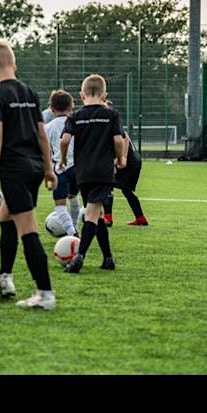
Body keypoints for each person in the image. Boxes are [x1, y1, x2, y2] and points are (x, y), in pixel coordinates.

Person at [0, 38, 57, 311]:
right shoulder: (29, 92)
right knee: (6, 216)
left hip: (13, 169)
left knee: (28, 229)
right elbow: (42, 135)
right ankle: (6, 277)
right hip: (35, 167)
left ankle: (45, 293)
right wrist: (49, 168)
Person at [59, 74, 128, 274]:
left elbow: (64, 140)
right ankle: (79, 256)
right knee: (92, 214)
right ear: (104, 94)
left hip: (83, 173)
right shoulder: (111, 115)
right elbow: (118, 140)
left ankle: (107, 258)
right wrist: (120, 159)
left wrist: (63, 159)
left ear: (82, 95)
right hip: (103, 171)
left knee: (95, 215)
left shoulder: (75, 116)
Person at [101, 102, 148, 226]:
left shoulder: (108, 122)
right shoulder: (111, 121)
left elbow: (124, 139)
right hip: (135, 159)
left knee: (108, 184)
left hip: (130, 160)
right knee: (126, 190)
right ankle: (141, 218)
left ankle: (108, 218)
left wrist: (122, 158)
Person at [44, 90, 81, 237]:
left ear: (52, 109)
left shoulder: (48, 127)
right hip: (78, 168)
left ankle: (72, 234)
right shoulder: (77, 124)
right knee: (73, 197)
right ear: (71, 108)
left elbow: (46, 152)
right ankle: (75, 228)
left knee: (60, 207)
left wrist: (47, 172)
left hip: (60, 169)